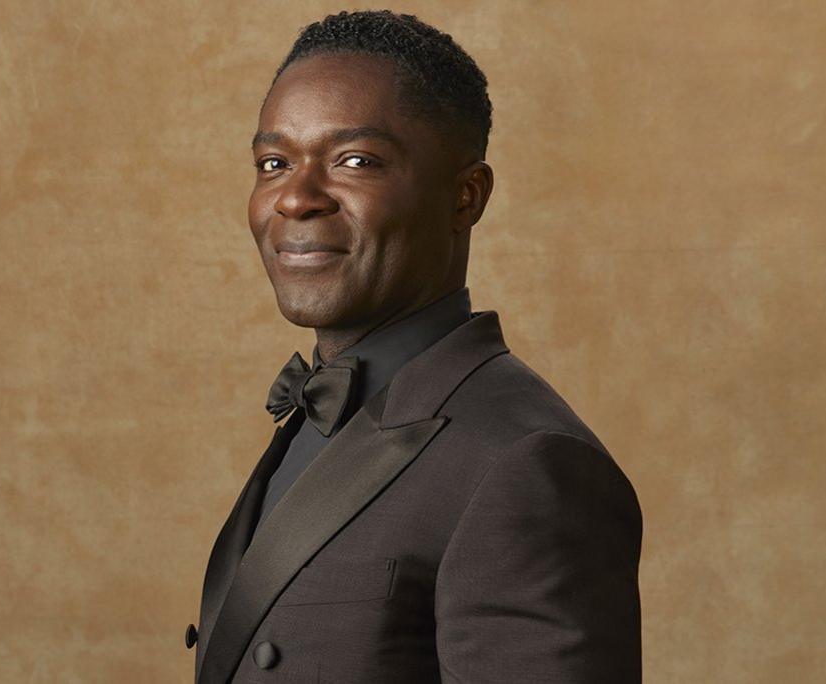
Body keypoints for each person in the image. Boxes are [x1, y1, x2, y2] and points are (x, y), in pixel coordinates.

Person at [190, 10, 642, 683]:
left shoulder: (524, 462)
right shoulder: (319, 416)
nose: (294, 198)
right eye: (273, 162)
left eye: (355, 161)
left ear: (465, 197)